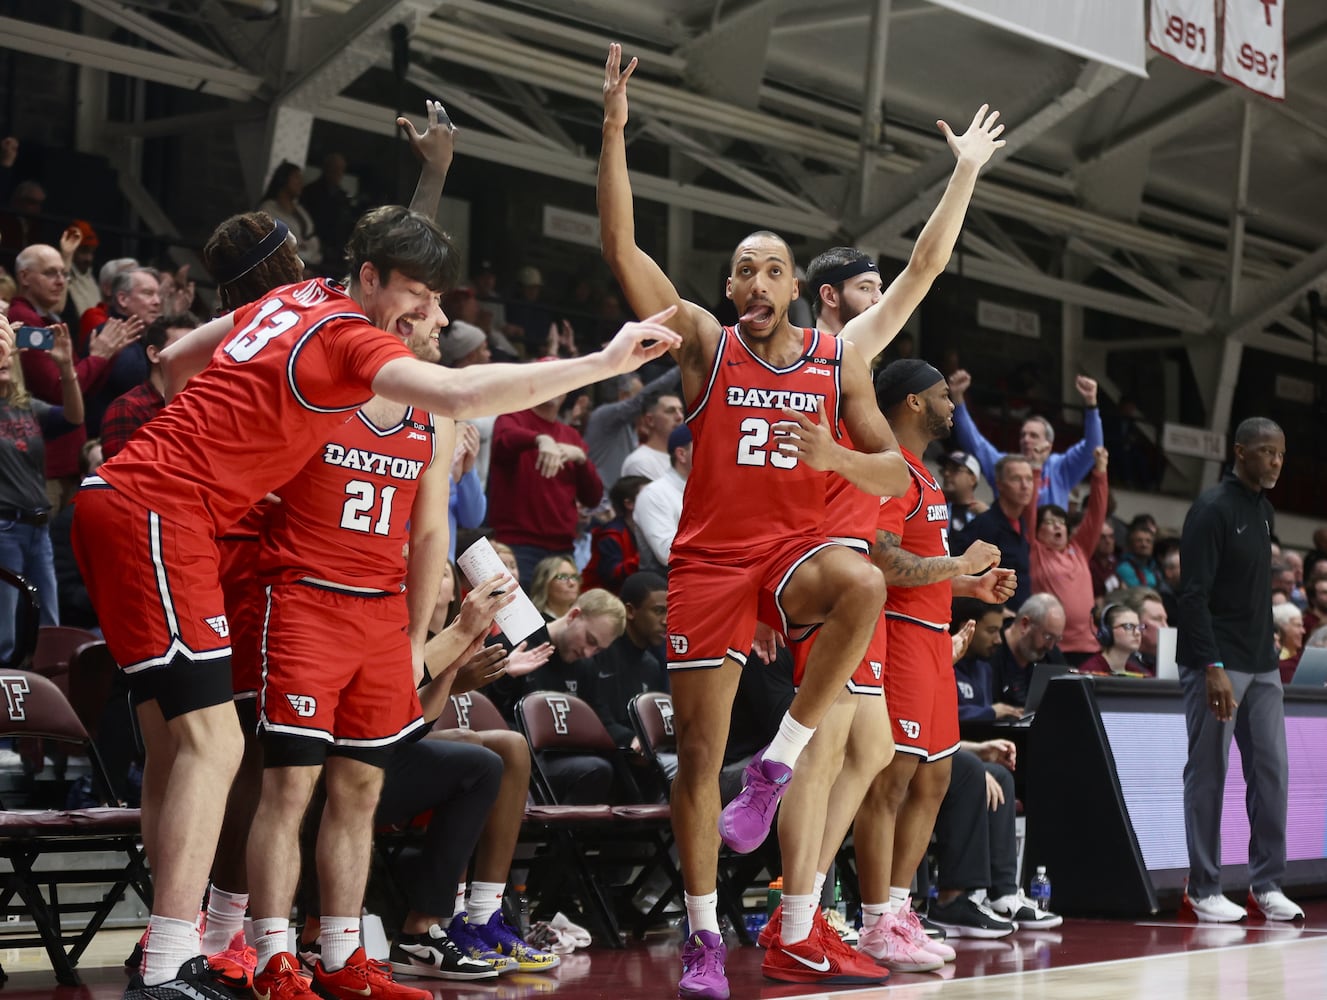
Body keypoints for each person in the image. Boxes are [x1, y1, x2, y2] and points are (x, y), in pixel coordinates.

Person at [71, 202, 680, 1000]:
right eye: (413, 295)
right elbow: (460, 392)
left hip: (150, 510)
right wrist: (602, 362)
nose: (424, 313)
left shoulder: (290, 302)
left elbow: (176, 364)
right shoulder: (347, 336)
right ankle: (175, 964)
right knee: (219, 750)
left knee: (191, 750)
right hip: (168, 515)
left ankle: (190, 948)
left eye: (433, 301)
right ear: (365, 277)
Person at [601, 44, 916, 997]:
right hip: (706, 563)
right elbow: (621, 252)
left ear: (793, 287)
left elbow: (895, 473)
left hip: (789, 554)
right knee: (696, 755)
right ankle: (702, 939)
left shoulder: (833, 360)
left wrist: (835, 460)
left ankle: (775, 763)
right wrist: (614, 133)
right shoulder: (703, 342)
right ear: (735, 289)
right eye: (745, 269)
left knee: (862, 580)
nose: (758, 279)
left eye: (774, 267)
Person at [850, 361, 1016, 969]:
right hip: (896, 641)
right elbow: (886, 564)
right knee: (890, 783)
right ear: (913, 403)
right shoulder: (891, 471)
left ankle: (899, 913)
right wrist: (960, 566)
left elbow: (924, 571)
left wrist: (973, 587)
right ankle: (874, 923)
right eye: (944, 396)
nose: (953, 405)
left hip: (932, 638)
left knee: (935, 780)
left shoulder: (928, 476)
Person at [1176, 417, 1302, 923]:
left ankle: (1266, 883)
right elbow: (1192, 595)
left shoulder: (1264, 509)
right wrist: (1212, 665)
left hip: (1263, 663)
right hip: (1218, 663)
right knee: (1209, 774)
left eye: (1281, 454)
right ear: (1240, 452)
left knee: (1272, 774)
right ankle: (1203, 887)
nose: (1275, 462)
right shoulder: (1210, 509)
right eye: (1267, 452)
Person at [0, 316, 81, 659]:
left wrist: (66, 368)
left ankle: (50, 695)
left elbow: (74, 418)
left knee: (49, 624)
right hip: (4, 527)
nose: (3, 359)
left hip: (39, 527)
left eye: (5, 355)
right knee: (4, 628)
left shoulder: (25, 406)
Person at [488, 386, 603, 586]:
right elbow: (505, 440)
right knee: (515, 611)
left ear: (567, 392)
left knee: (564, 609)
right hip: (517, 547)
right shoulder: (511, 419)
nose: (553, 386)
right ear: (534, 385)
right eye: (548, 381)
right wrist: (539, 439)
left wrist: (582, 460)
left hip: (564, 551)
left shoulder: (571, 436)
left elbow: (593, 497)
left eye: (561, 383)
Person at [947, 369, 1102, 508]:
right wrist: (958, 398)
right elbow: (975, 444)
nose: (1026, 440)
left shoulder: (1060, 468)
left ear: (1048, 444)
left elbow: (1094, 448)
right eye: (1023, 435)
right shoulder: (1006, 465)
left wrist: (1091, 404)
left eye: (1033, 435)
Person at [1025, 447, 1109, 664]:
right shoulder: (1035, 550)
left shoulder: (1079, 549)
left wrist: (1100, 472)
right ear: (1037, 530)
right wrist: (1036, 468)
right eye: (1050, 522)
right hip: (1053, 647)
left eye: (1061, 522)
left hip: (1090, 645)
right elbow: (1030, 510)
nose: (1057, 526)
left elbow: (1096, 514)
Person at [586, 571, 670, 750]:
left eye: (670, 612)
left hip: (645, 754)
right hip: (610, 752)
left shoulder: (652, 665)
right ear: (630, 611)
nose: (666, 621)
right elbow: (595, 717)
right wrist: (631, 740)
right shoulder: (600, 652)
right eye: (658, 611)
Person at [99, 313, 197, 459]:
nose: (194, 354)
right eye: (183, 345)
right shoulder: (128, 408)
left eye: (196, 346)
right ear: (154, 354)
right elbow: (121, 473)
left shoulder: (201, 404)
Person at [953, 455, 1035, 610]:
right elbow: (963, 577)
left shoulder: (1022, 523)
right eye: (1017, 479)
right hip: (992, 623)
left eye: (1029, 479)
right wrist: (998, 612)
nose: (1025, 486)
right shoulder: (984, 526)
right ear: (1000, 485)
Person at [583, 366, 682, 486]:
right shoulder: (604, 416)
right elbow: (642, 399)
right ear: (624, 396)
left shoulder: (629, 426)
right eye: (638, 394)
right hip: (603, 502)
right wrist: (681, 367)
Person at [951, 597, 1021, 723]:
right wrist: (990, 712)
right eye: (991, 631)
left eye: (999, 631)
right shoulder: (943, 667)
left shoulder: (985, 669)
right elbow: (942, 716)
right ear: (966, 628)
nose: (998, 640)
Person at [990, 593, 1066, 708]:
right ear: (1024, 624)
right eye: (1047, 637)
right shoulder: (992, 650)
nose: (1050, 647)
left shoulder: (1051, 656)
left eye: (1056, 639)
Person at [633, 424, 692, 571]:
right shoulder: (654, 494)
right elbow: (667, 553)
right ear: (682, 454)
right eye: (705, 445)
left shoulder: (712, 490)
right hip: (668, 585)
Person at [581, 474, 649, 594]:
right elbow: (611, 575)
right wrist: (646, 555)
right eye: (649, 496)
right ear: (629, 504)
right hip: (598, 599)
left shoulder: (647, 528)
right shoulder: (611, 534)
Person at [259, 161, 322, 270]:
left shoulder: (300, 210)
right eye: (296, 178)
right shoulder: (268, 208)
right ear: (283, 179)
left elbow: (311, 237)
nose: (301, 182)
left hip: (308, 264)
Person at [619, 388, 685, 480]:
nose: (680, 417)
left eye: (681, 411)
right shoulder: (640, 461)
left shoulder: (686, 456)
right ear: (650, 420)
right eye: (670, 411)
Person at [1075, 603, 1152, 677]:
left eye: (1139, 627)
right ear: (1107, 632)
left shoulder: (1137, 672)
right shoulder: (1090, 671)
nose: (1137, 633)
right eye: (1128, 626)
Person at [941, 451, 987, 534]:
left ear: (972, 479)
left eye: (955, 470)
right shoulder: (934, 507)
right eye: (945, 469)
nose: (946, 473)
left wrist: (989, 517)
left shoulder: (983, 515)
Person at [529, 554, 581, 621]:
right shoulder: (534, 622)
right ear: (544, 583)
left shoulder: (582, 618)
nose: (572, 583)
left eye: (574, 577)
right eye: (562, 577)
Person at [1116, 515, 1162, 589]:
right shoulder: (1124, 568)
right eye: (1139, 541)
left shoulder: (1155, 568)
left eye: (1148, 541)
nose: (1144, 544)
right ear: (1130, 544)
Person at [1272, 602, 1305, 685]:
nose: (1303, 631)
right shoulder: (1274, 662)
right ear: (1280, 628)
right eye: (1298, 626)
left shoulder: (1303, 656)